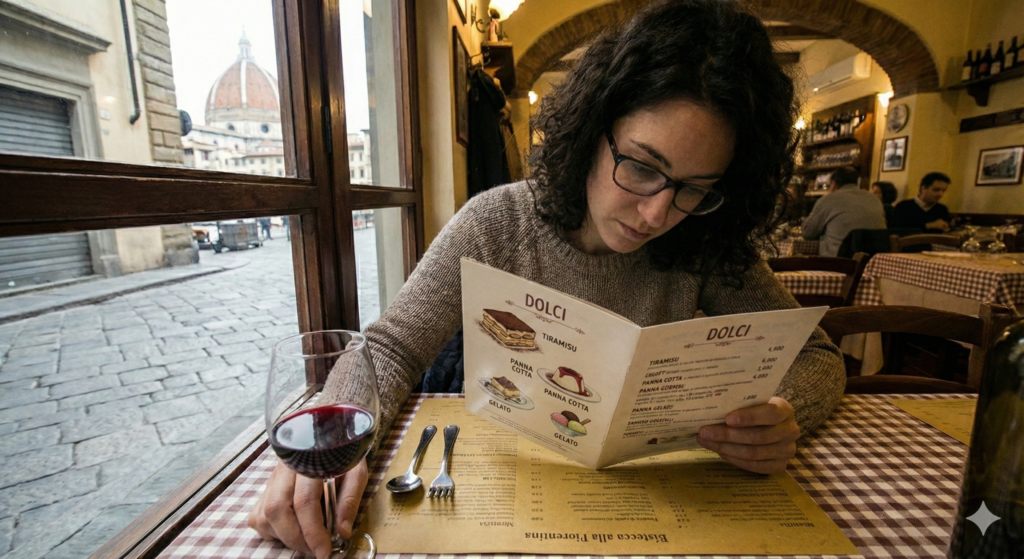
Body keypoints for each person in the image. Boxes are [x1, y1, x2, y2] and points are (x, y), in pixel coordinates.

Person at [248, 1, 846, 557]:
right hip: (501, 485)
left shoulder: (706, 241)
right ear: (592, 133)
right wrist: (335, 426)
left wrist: (782, 410)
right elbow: (390, 347)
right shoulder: (497, 223)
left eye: (696, 188)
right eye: (641, 167)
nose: (658, 214)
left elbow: (818, 354)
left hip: (646, 503)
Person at [800, 167, 886, 257]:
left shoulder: (828, 200)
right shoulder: (874, 199)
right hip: (873, 261)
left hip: (839, 262)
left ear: (833, 184)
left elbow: (808, 233)